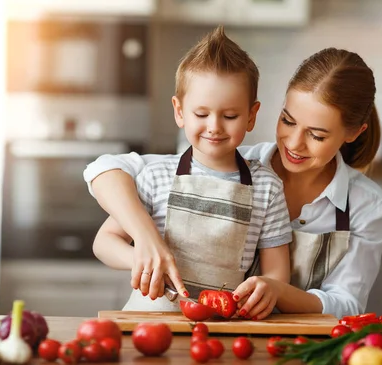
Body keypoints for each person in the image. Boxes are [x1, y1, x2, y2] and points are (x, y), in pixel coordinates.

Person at [84, 46, 382, 320]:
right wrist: (146, 242)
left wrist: (276, 290)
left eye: (317, 135)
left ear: (353, 133)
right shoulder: (214, 158)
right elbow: (106, 168)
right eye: (287, 120)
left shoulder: (365, 205)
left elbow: (347, 304)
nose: (295, 144)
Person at [91, 26, 293, 316]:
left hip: (222, 328)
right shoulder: (156, 176)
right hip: (150, 321)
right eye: (202, 114)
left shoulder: (267, 189)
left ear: (251, 116)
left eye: (230, 116)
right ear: (179, 111)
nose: (214, 126)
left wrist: (265, 290)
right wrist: (141, 257)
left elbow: (277, 275)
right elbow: (104, 242)